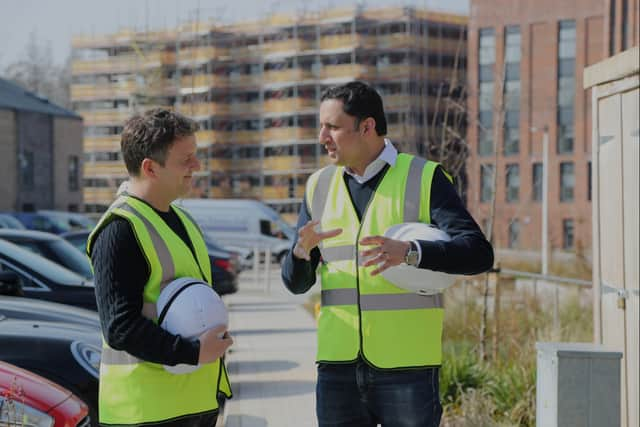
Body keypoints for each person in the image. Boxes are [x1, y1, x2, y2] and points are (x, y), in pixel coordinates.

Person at [281, 81, 494, 427]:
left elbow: (479, 254)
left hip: (407, 368)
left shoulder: (425, 178)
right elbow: (294, 284)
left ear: (367, 127)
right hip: (338, 369)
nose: (322, 136)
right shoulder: (318, 186)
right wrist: (300, 253)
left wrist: (411, 252)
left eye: (332, 126)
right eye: (321, 126)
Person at [87, 108, 233, 427]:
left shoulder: (182, 220)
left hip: (192, 404)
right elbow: (119, 326)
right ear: (150, 168)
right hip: (144, 412)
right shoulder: (120, 229)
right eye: (186, 159)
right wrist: (192, 352)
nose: (197, 166)